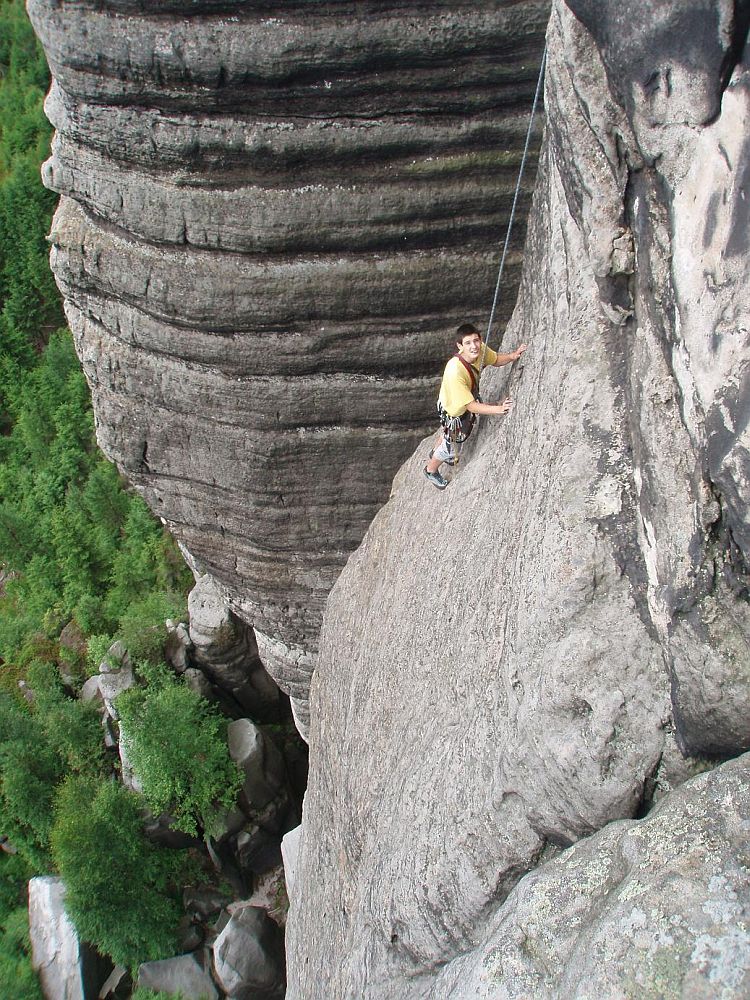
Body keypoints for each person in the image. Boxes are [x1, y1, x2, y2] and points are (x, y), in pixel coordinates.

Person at [423, 322, 527, 489]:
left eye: (476, 341)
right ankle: (431, 469)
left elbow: (496, 359)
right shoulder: (455, 371)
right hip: (454, 411)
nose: (474, 346)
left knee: (447, 432)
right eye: (468, 343)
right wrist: (498, 409)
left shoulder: (480, 350)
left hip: (449, 401)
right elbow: (471, 407)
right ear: (460, 346)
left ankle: (439, 448)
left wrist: (513, 356)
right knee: (449, 447)